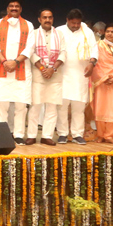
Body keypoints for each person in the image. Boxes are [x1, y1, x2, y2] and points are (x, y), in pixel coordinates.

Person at [0, 0, 35, 145]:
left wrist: (15, 62)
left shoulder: (28, 25)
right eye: (11, 6)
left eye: (17, 6)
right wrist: (5, 62)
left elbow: (30, 47)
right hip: (2, 70)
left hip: (21, 69)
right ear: (7, 8)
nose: (14, 8)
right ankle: (1, 134)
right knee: (2, 104)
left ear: (21, 9)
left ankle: (18, 134)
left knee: (21, 105)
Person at [56, 9, 97, 145]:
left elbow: (94, 49)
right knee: (62, 106)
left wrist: (91, 63)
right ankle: (62, 134)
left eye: (78, 23)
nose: (75, 26)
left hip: (81, 74)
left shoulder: (87, 32)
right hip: (62, 73)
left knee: (79, 106)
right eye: (73, 23)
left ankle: (77, 134)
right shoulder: (59, 31)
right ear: (67, 20)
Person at [26, 9, 65, 146]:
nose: (47, 20)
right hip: (38, 74)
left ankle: (47, 136)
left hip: (55, 75)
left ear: (53, 19)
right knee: (35, 106)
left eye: (50, 17)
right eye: (44, 17)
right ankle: (31, 135)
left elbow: (63, 53)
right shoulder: (33, 34)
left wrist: (52, 69)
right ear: (39, 19)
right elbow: (30, 53)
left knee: (52, 107)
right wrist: (43, 69)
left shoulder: (59, 34)